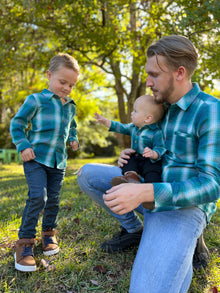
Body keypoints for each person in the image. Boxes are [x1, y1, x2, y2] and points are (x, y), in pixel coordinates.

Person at [77, 35, 220, 292]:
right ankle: (134, 230)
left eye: (154, 74)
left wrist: (146, 191)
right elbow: (143, 139)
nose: (148, 82)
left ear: (179, 72)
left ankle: (189, 239)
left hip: (182, 206)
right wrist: (130, 160)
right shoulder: (158, 107)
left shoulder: (210, 110)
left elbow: (212, 186)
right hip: (147, 185)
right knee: (87, 174)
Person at [10, 53, 80, 272]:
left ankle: (48, 234)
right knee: (38, 196)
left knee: (54, 200)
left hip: (58, 163)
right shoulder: (36, 100)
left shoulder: (70, 106)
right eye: (62, 82)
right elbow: (17, 123)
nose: (67, 88)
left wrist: (74, 139)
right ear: (49, 75)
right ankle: (24, 243)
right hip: (36, 159)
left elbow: (73, 126)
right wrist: (23, 145)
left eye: (72, 85)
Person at [94, 95, 166, 204]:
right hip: (136, 157)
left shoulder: (156, 132)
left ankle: (151, 198)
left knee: (153, 173)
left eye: (135, 111)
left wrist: (153, 153)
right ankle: (132, 178)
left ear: (148, 118)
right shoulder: (133, 127)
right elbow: (120, 127)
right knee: (128, 160)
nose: (132, 113)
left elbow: (161, 147)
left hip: (149, 160)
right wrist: (105, 121)